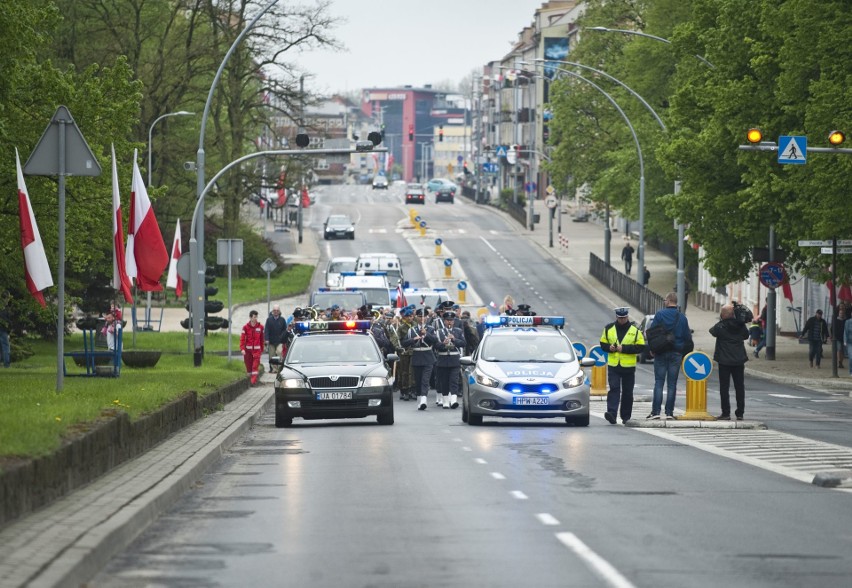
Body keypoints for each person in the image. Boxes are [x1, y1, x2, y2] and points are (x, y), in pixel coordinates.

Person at [647, 292, 693, 420]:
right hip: (676, 353)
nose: (664, 302)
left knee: (659, 382)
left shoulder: (660, 314)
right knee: (672, 384)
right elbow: (688, 338)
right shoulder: (682, 318)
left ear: (668, 301)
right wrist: (683, 353)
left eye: (664, 300)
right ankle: (669, 413)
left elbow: (652, 334)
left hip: (661, 352)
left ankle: (656, 412)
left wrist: (652, 349)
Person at [599, 307, 645, 424]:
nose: (622, 320)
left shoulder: (634, 330)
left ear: (627, 317)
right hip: (614, 365)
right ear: (616, 317)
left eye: (624, 318)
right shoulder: (609, 328)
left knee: (627, 392)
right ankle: (612, 414)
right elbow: (603, 343)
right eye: (620, 318)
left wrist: (624, 348)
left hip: (628, 367)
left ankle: (625, 416)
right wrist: (609, 347)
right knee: (614, 389)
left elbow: (640, 346)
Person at [709, 304, 750, 420]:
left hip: (724, 361)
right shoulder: (740, 326)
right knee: (739, 387)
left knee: (724, 388)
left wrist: (722, 320)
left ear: (722, 315)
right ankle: (740, 412)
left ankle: (726, 413)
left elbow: (711, 331)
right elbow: (746, 336)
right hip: (738, 361)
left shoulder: (720, 327)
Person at [403, 308, 438, 410]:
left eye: (424, 316)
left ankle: (424, 399)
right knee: (418, 380)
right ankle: (420, 399)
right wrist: (413, 339)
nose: (422, 318)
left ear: (427, 317)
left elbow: (435, 340)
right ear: (416, 317)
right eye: (420, 316)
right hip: (417, 356)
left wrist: (426, 334)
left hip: (428, 356)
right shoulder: (411, 330)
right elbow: (404, 343)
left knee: (425, 380)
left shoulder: (431, 329)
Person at [432, 310, 465, 409]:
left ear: (454, 321)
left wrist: (454, 339)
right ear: (444, 321)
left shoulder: (458, 331)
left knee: (454, 380)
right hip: (443, 359)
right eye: (447, 320)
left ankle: (454, 400)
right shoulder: (439, 332)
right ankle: (446, 401)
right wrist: (443, 343)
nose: (449, 322)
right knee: (444, 381)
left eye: (451, 320)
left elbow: (463, 343)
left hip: (454, 359)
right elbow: (436, 346)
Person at [240, 310, 264, 385]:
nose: (256, 318)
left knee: (255, 367)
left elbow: (262, 339)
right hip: (248, 351)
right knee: (249, 368)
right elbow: (242, 339)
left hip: (257, 351)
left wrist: (261, 349)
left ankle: (253, 382)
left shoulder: (260, 327)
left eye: (256, 317)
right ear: (250, 317)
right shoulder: (245, 327)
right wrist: (242, 349)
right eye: (254, 317)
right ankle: (250, 380)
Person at [264, 305, 287, 372]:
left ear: (279, 311)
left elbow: (284, 330)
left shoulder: (282, 320)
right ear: (272, 311)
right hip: (271, 341)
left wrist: (283, 339)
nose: (276, 312)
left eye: (277, 310)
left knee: (279, 352)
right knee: (272, 355)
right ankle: (274, 369)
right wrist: (267, 339)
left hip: (280, 341)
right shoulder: (269, 320)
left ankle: (280, 368)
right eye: (274, 311)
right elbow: (266, 330)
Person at [832, 305, 846, 369]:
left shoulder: (846, 321)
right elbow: (832, 328)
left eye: (842, 313)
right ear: (839, 314)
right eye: (840, 313)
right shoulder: (836, 320)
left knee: (843, 351)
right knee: (839, 349)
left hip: (844, 338)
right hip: (838, 338)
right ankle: (839, 361)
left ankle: (841, 362)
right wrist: (833, 336)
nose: (841, 314)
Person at [0, 293, 12, 368]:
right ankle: (6, 364)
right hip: (3, 330)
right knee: (6, 347)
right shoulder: (4, 309)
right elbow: (7, 321)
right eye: (7, 298)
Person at [844, 309, 852, 376]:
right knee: (851, 357)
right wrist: (845, 340)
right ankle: (851, 371)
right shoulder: (848, 322)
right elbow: (845, 332)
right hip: (850, 342)